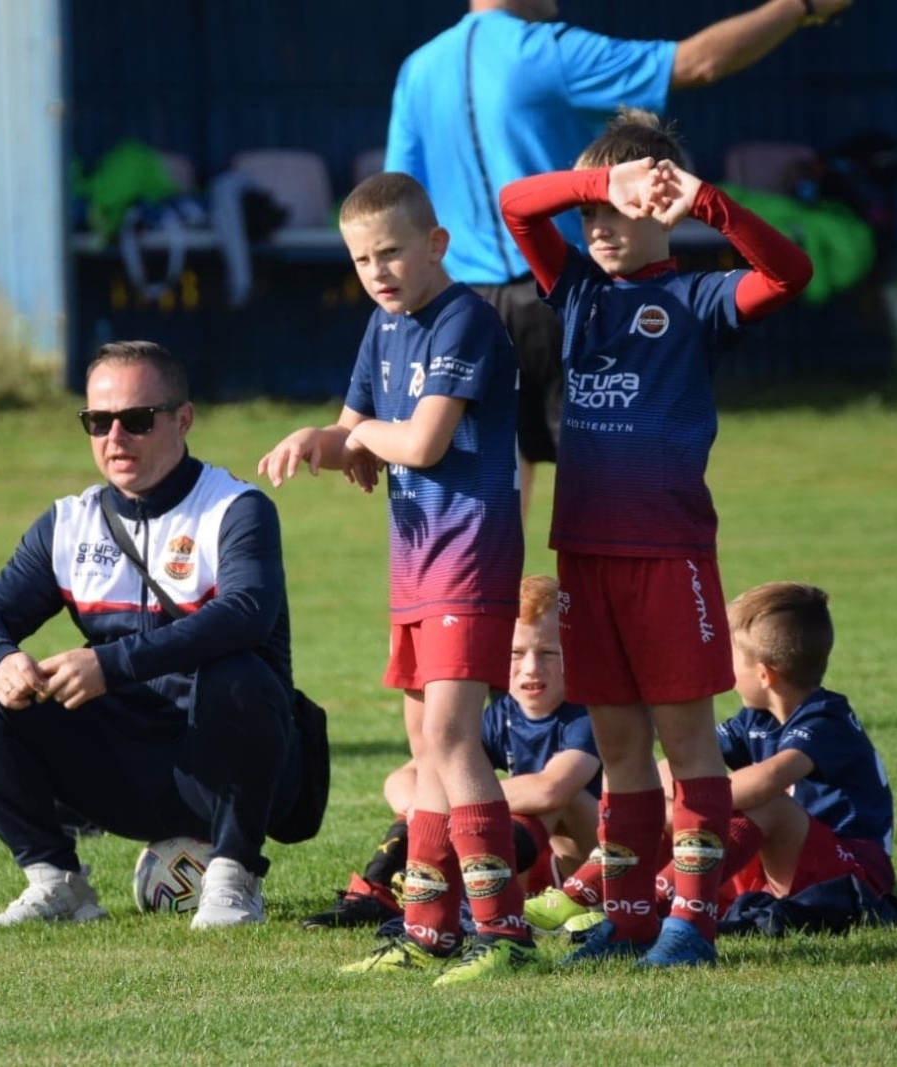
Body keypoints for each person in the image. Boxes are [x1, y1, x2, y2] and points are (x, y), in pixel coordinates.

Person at [498, 110, 814, 967]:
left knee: (686, 742)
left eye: (621, 211)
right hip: (585, 559)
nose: (598, 227)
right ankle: (634, 914)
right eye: (593, 212)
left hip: (669, 558)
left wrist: (710, 204)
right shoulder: (578, 290)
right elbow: (518, 204)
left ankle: (693, 922)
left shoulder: (700, 298)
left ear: (665, 208)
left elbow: (789, 272)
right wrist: (604, 181)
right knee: (619, 747)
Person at [384, 0, 855, 517]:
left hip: (468, 304)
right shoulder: (546, 51)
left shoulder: (419, 68)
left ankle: (502, 599)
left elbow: (400, 196)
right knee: (606, 465)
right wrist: (800, 7)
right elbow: (700, 62)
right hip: (567, 293)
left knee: (488, 505)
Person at [259, 171, 533, 984]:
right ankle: (426, 928)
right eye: (361, 259)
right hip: (417, 562)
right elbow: (357, 437)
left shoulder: (464, 321)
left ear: (436, 244)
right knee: (423, 746)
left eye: (391, 253)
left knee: (453, 739)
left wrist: (360, 437)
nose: (377, 272)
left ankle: (504, 931)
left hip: (469, 551)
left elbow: (422, 445)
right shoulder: (384, 329)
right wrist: (319, 442)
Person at [0, 340, 304, 930]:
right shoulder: (68, 521)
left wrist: (109, 665)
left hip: (228, 765)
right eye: (97, 421)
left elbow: (248, 612)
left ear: (183, 419)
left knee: (239, 671)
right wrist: (0, 661)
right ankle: (57, 883)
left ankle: (234, 877)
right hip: (120, 772)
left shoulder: (235, 508)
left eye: (136, 420)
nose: (115, 438)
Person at [526, 581, 895, 930]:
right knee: (679, 806)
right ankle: (594, 895)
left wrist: (693, 804)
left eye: (732, 657)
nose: (725, 667)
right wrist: (665, 802)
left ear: (764, 675)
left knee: (760, 804)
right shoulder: (755, 719)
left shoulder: (826, 718)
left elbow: (768, 781)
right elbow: (681, 762)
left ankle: (657, 897)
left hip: (853, 875)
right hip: (785, 867)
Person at [302, 574, 601, 930]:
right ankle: (378, 891)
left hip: (590, 865)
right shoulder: (502, 714)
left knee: (547, 801)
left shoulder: (589, 713)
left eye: (549, 653)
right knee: (437, 788)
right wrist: (424, 809)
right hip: (532, 868)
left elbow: (550, 789)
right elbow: (403, 777)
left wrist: (456, 801)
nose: (531, 668)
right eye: (516, 653)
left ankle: (467, 902)